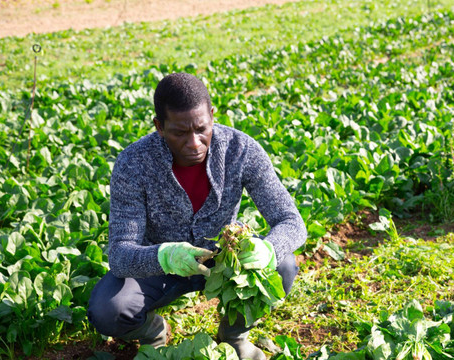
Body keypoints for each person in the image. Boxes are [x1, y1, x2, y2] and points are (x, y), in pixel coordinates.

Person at [87, 72, 307, 360]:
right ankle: (154, 332)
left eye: (201, 129)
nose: (194, 143)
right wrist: (164, 256)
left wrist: (268, 249)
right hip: (161, 265)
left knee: (284, 265)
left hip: (224, 260)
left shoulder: (240, 150)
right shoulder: (133, 163)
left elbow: (292, 222)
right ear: (159, 127)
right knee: (107, 310)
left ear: (212, 117)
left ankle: (235, 335)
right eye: (179, 132)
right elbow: (119, 253)